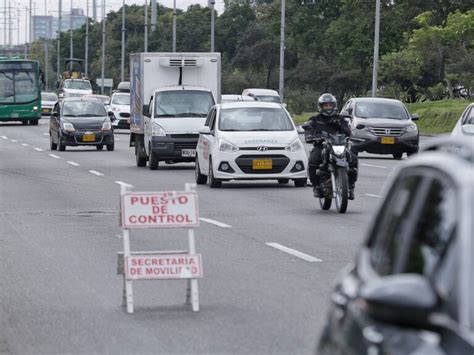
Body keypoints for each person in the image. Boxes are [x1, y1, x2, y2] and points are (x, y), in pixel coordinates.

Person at [306, 93, 358, 200]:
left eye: (330, 105)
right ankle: (316, 186)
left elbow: (348, 132)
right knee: (313, 160)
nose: (328, 107)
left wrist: (339, 125)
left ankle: (351, 187)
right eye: (326, 105)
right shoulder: (315, 119)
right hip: (322, 146)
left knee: (353, 160)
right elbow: (308, 129)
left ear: (334, 106)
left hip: (339, 146)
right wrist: (311, 136)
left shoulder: (340, 118)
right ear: (321, 106)